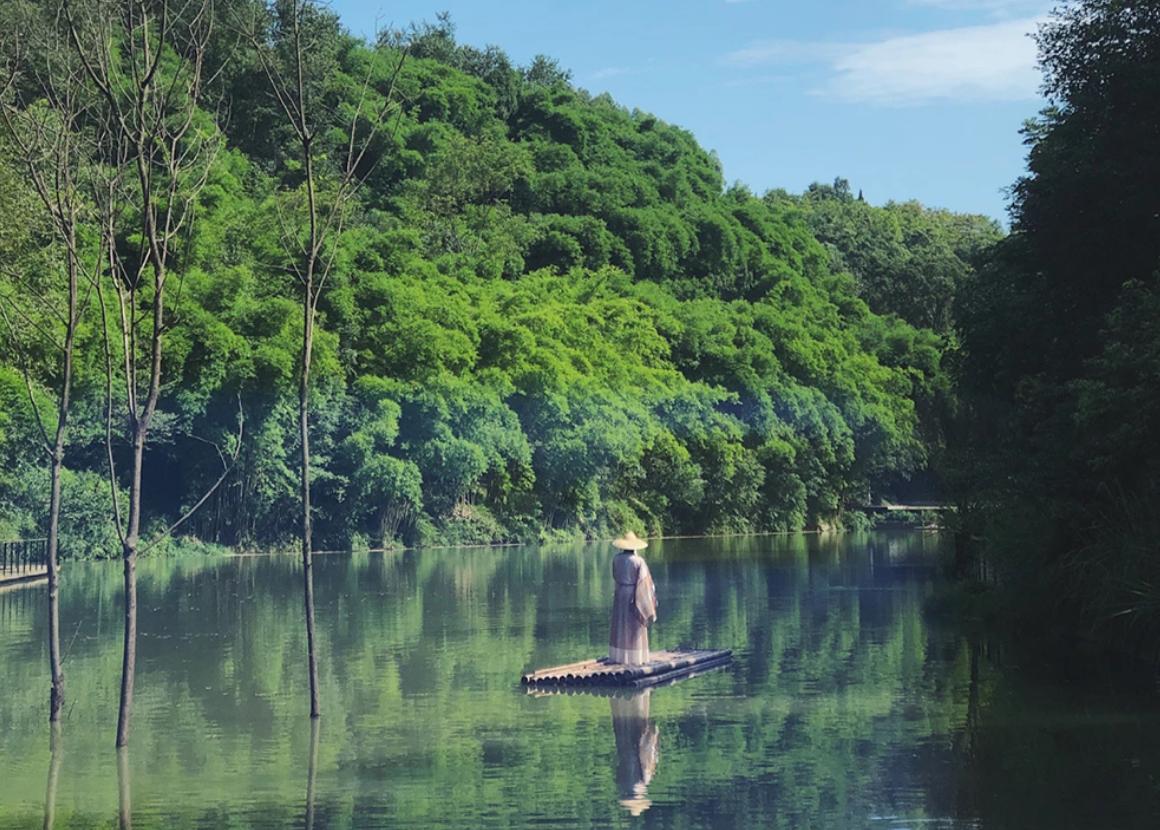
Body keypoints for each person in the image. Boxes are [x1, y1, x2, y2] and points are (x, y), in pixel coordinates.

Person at [608, 531, 657, 665]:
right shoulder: (639, 561)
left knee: (621, 623)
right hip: (634, 592)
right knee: (635, 624)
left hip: (620, 592)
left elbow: (614, 575)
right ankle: (636, 658)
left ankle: (619, 656)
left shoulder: (616, 559)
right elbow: (644, 581)